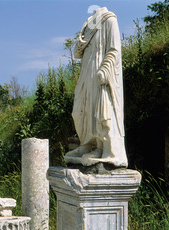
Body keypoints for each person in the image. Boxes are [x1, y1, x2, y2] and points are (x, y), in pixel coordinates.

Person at [65, 7, 128, 167]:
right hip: (86, 72)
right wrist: (82, 37)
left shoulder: (109, 19)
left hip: (100, 71)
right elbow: (77, 54)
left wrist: (105, 69)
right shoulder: (87, 25)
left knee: (100, 110)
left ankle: (101, 148)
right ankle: (86, 144)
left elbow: (114, 49)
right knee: (80, 110)